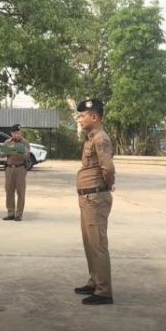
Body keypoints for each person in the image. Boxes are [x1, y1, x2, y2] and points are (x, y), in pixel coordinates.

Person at [73, 99, 116, 305]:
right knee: (89, 243)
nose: (80, 119)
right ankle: (95, 281)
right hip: (88, 197)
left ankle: (104, 291)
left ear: (94, 117)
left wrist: (106, 186)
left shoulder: (100, 139)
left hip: (95, 198)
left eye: (83, 116)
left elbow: (108, 168)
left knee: (97, 245)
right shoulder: (91, 138)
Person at [1, 124, 30, 221]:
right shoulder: (7, 142)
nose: (17, 135)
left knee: (20, 191)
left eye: (18, 133)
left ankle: (19, 214)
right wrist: (8, 151)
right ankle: (10, 212)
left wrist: (17, 151)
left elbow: (27, 156)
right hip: (9, 168)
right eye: (15, 133)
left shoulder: (25, 143)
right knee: (9, 190)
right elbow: (1, 154)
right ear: (11, 133)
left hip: (20, 168)